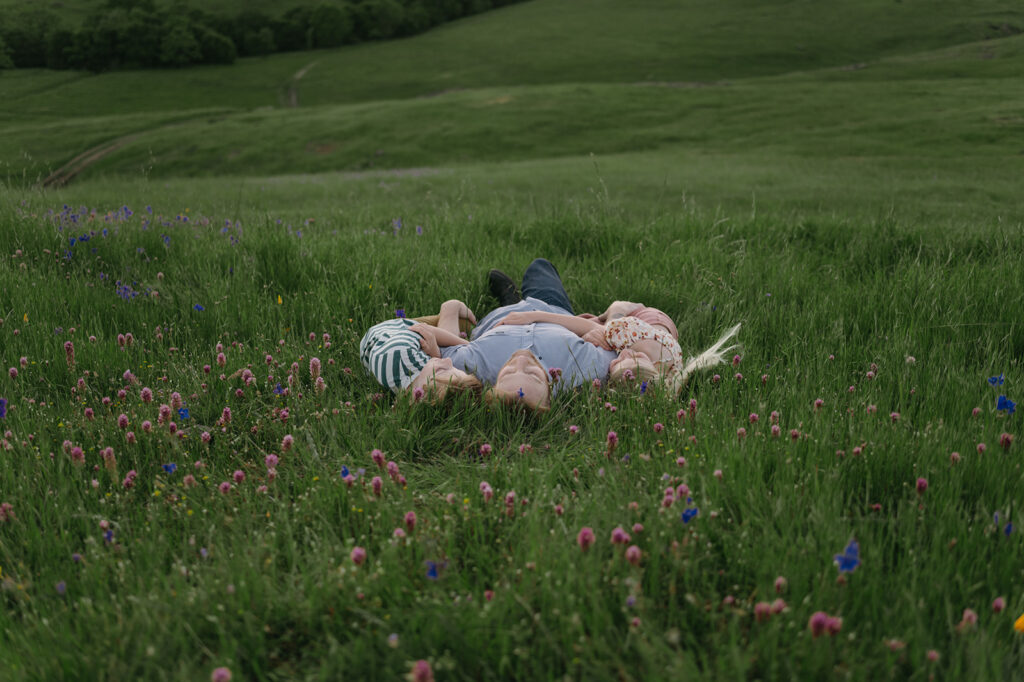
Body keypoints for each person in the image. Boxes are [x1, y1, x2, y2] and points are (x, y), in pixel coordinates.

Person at [437, 259, 618, 412]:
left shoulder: (472, 369)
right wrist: (588, 331)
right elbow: (615, 336)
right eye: (533, 374)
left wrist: (451, 307)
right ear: (549, 394)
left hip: (501, 315)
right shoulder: (586, 371)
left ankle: (510, 297)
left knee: (507, 296)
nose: (521, 359)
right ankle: (514, 296)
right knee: (539, 266)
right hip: (549, 308)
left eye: (507, 373)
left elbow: (444, 347)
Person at [359, 300, 482, 401]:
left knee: (456, 337)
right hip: (412, 330)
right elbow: (425, 330)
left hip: (392, 330)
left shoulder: (404, 355)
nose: (448, 361)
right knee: (453, 341)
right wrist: (468, 345)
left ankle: (450, 309)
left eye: (441, 369)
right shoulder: (418, 383)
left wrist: (438, 351)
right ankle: (451, 308)